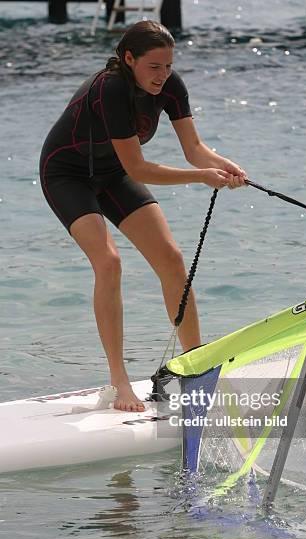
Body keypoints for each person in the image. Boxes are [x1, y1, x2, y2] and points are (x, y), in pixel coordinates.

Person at [39, 20, 247, 412]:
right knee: (109, 262)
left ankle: (197, 369)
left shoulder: (170, 85)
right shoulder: (111, 88)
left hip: (112, 174)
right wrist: (203, 178)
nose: (162, 75)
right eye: (154, 66)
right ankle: (119, 382)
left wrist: (226, 167)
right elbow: (138, 168)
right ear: (128, 59)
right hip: (67, 174)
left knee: (171, 260)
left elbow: (195, 148)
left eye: (168, 66)